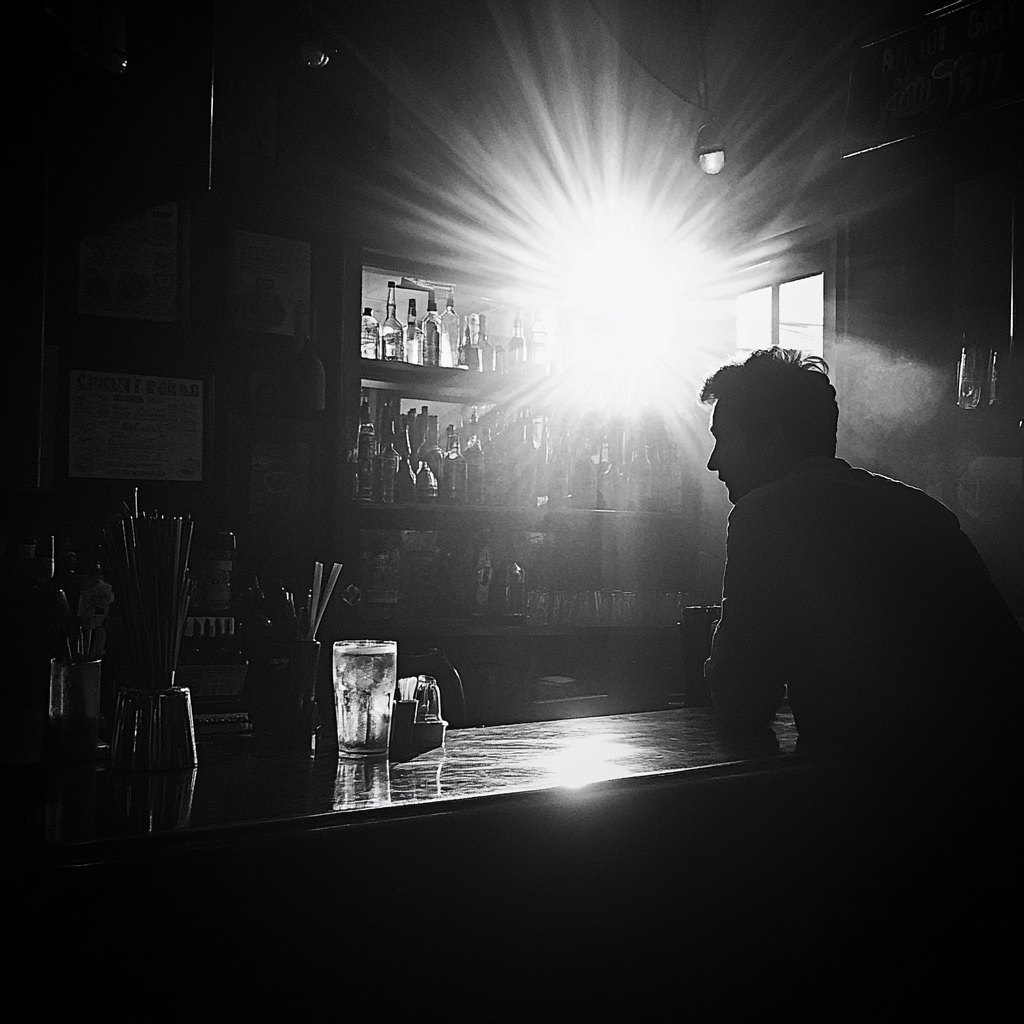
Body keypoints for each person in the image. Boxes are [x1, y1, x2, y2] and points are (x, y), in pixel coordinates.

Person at [699, 347, 1023, 759]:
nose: (713, 462)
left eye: (723, 439)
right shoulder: (920, 509)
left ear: (771, 439)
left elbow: (740, 702)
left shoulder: (764, 516)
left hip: (872, 794)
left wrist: (718, 659)